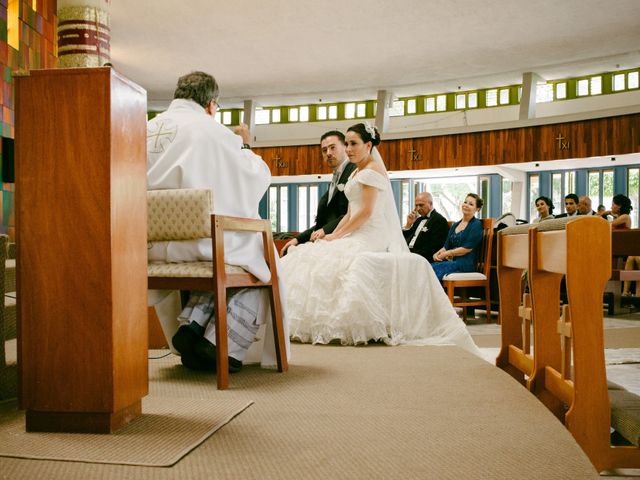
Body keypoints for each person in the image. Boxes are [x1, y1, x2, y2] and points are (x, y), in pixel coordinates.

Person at [279, 122, 479, 355]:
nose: (349, 148)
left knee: (332, 258)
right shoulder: (356, 171)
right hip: (356, 229)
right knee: (313, 253)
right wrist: (333, 234)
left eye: (353, 144)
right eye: (348, 143)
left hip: (372, 234)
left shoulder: (372, 171)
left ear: (368, 144)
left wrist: (339, 236)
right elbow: (351, 212)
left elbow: (366, 213)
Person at [146, 71, 289, 372]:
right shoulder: (213, 131)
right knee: (262, 260)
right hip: (200, 245)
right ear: (211, 104)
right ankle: (221, 345)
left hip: (149, 249)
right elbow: (255, 177)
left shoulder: (143, 130)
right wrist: (245, 145)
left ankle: (192, 325)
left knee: (231, 255)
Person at [280, 131, 356, 255]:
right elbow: (323, 222)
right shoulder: (335, 178)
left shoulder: (353, 171)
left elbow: (351, 213)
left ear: (345, 146)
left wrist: (325, 231)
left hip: (345, 239)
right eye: (324, 150)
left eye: (333, 147)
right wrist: (298, 239)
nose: (329, 153)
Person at [431, 194, 485, 281]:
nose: (466, 205)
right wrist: (437, 254)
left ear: (477, 209)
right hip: (454, 262)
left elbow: (466, 249)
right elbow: (446, 246)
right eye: (465, 202)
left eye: (471, 204)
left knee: (435, 269)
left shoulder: (476, 225)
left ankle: (434, 294)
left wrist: (446, 254)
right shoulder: (455, 225)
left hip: (466, 264)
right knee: (429, 267)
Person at [402, 192, 449, 262]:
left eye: (421, 205)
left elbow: (434, 247)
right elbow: (404, 240)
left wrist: (412, 255)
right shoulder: (418, 220)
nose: (418, 208)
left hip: (423, 258)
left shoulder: (439, 220)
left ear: (430, 204)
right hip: (408, 255)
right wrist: (408, 224)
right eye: (416, 205)